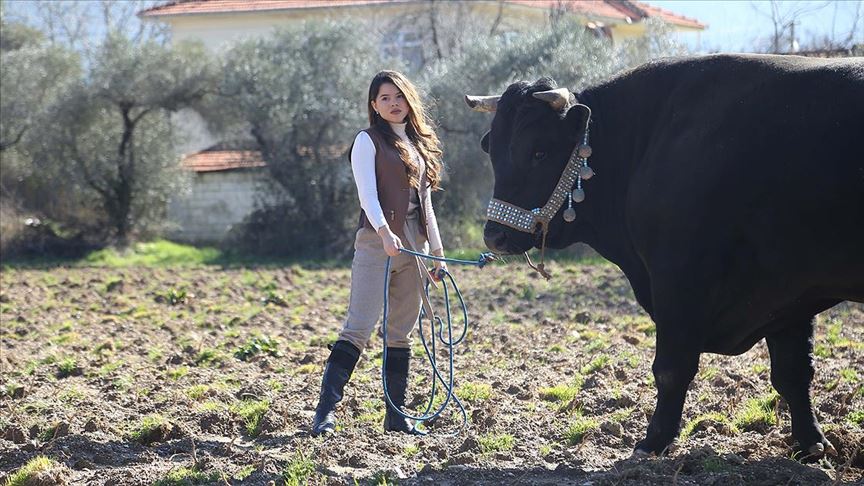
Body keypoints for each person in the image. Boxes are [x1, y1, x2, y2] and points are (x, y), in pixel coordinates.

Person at [311, 70, 447, 437]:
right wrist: (386, 233)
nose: (393, 104)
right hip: (376, 241)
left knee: (400, 332)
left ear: (408, 100)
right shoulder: (366, 141)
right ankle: (324, 412)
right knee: (359, 327)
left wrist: (436, 251)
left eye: (398, 97)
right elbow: (367, 196)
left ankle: (396, 415)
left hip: (414, 247)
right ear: (374, 105)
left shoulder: (418, 146)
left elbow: (426, 206)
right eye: (385, 98)